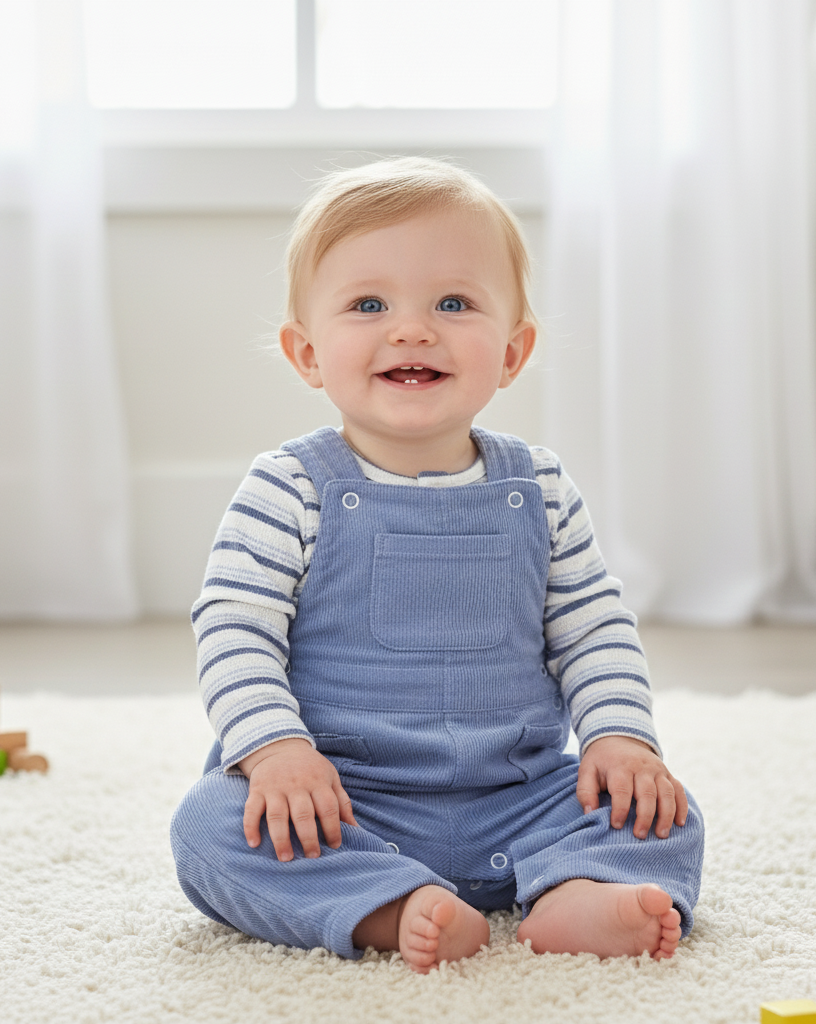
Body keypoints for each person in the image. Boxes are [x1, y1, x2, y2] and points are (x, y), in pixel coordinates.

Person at [170, 157, 704, 974]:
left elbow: (594, 627)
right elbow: (234, 628)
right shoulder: (289, 487)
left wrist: (621, 738)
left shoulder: (542, 487)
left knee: (664, 811)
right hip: (343, 798)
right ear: (307, 354)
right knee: (209, 826)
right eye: (368, 305)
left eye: (454, 304)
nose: (413, 329)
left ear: (513, 351)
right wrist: (276, 752)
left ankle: (574, 893)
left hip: (518, 796)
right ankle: (389, 904)